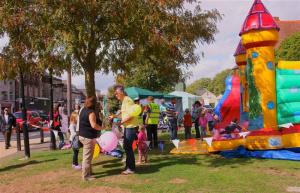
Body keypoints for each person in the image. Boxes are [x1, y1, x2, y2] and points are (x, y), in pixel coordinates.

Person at [113, 85, 140, 175]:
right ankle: (128, 166)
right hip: (128, 127)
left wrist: (120, 123)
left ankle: (131, 168)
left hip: (131, 127)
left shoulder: (127, 100)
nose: (115, 94)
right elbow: (124, 115)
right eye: (115, 93)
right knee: (127, 147)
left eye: (116, 93)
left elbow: (131, 115)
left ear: (122, 92)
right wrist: (115, 116)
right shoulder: (124, 101)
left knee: (128, 147)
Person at [78, 96, 103, 181]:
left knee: (87, 156)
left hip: (82, 136)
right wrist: (101, 128)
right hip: (88, 137)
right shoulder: (91, 113)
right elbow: (93, 125)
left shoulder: (82, 110)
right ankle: (85, 176)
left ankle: (89, 173)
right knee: (87, 158)